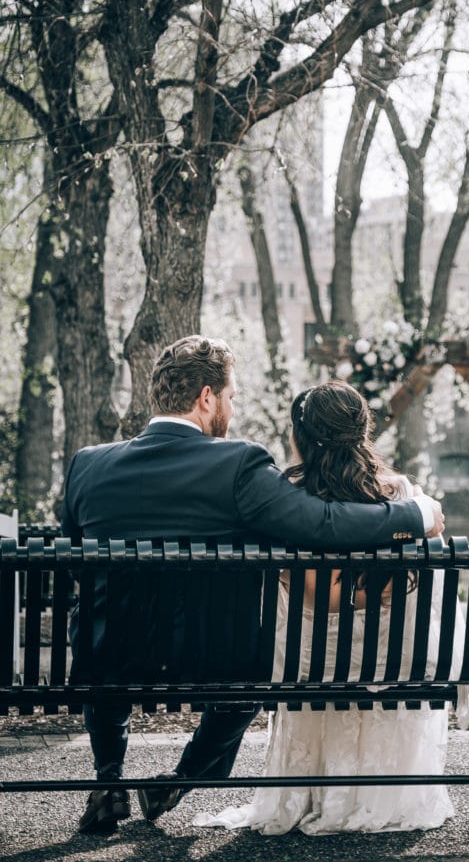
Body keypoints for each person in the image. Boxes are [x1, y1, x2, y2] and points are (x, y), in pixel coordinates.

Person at [61, 336, 444, 835]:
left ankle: (109, 780)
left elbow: (75, 559)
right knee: (251, 678)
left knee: (105, 635)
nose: (232, 406)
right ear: (206, 397)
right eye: (231, 396)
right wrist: (414, 514)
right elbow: (324, 524)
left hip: (104, 654)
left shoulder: (88, 465)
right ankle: (184, 776)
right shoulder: (236, 465)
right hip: (210, 664)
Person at [193, 381, 469, 836]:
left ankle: (313, 795)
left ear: (298, 437)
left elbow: (300, 597)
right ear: (363, 431)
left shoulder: (288, 499)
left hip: (313, 667)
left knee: (312, 649)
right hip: (394, 668)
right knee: (378, 655)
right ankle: (379, 798)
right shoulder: (404, 494)